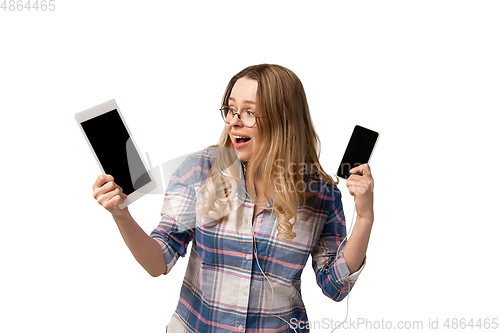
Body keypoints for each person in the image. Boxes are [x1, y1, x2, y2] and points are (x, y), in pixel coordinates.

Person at [92, 64, 375, 333]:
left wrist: (364, 218)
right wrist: (121, 214)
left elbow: (335, 286)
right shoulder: (199, 171)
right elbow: (158, 262)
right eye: (231, 109)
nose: (234, 121)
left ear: (283, 120)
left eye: (249, 112)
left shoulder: (320, 194)